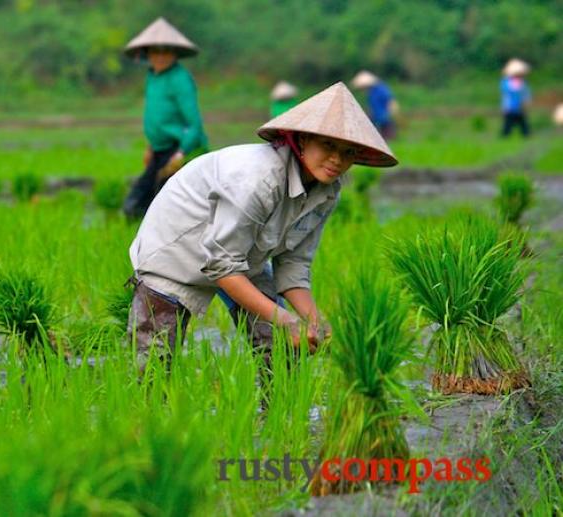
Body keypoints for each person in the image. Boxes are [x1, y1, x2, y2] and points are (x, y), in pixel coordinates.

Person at [127, 82, 398, 374]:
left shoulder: (327, 191)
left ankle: (279, 415)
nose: (337, 159)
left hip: (241, 260)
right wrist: (288, 319)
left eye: (348, 152)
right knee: (152, 366)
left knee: (281, 352)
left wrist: (315, 321)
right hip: (178, 252)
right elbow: (222, 266)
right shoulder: (257, 178)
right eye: (328, 145)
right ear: (303, 140)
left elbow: (293, 263)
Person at [121, 17, 208, 218]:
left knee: (164, 208)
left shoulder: (180, 79)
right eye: (155, 51)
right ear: (147, 53)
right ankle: (142, 242)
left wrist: (180, 154)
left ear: (174, 54)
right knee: (135, 204)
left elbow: (194, 124)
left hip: (179, 151)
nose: (160, 56)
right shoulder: (152, 76)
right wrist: (150, 146)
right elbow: (157, 116)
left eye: (166, 51)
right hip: (158, 151)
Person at [351, 70, 397, 140]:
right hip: (375, 118)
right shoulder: (371, 93)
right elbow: (372, 106)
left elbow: (390, 101)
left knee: (387, 139)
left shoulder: (381, 89)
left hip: (384, 118)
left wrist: (391, 112)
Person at [500, 58, 531, 138]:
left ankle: (526, 136)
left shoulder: (523, 83)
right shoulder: (506, 82)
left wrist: (526, 102)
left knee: (523, 124)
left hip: (520, 107)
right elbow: (506, 92)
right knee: (508, 124)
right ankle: (505, 137)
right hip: (510, 107)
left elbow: (526, 94)